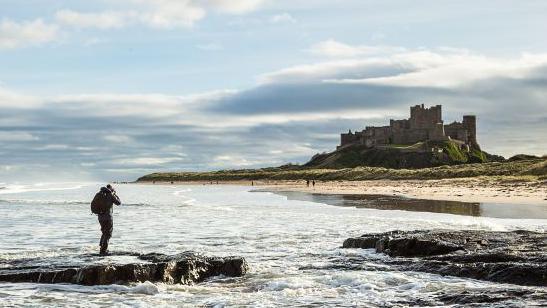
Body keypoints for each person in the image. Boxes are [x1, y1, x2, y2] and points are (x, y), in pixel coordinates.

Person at [96, 184, 121, 255]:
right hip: (108, 217)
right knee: (108, 234)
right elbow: (119, 203)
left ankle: (101, 247)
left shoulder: (99, 194)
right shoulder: (110, 194)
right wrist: (115, 194)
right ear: (110, 189)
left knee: (104, 232)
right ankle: (103, 250)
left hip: (100, 217)